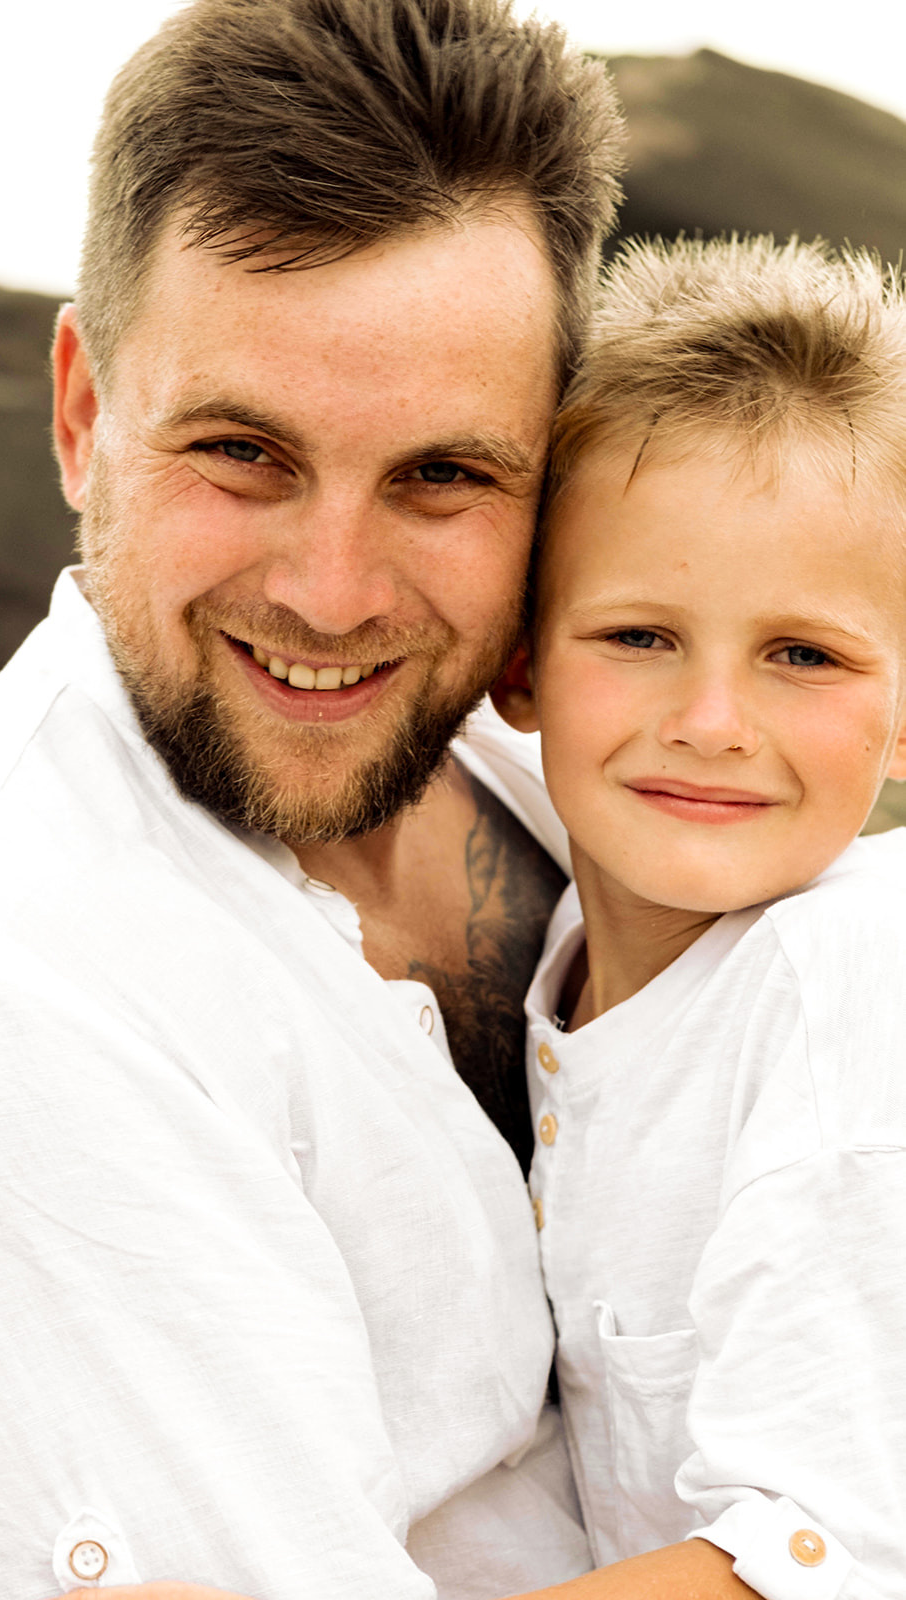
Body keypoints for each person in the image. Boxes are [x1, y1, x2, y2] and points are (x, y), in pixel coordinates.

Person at [0, 2, 624, 1596]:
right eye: (243, 453)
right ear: (81, 416)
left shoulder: (565, 783)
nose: (333, 596)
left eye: (442, 476)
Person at [490, 234, 906, 1596]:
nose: (713, 724)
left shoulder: (846, 978)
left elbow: (816, 1557)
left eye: (803, 654)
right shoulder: (567, 949)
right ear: (517, 661)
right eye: (639, 636)